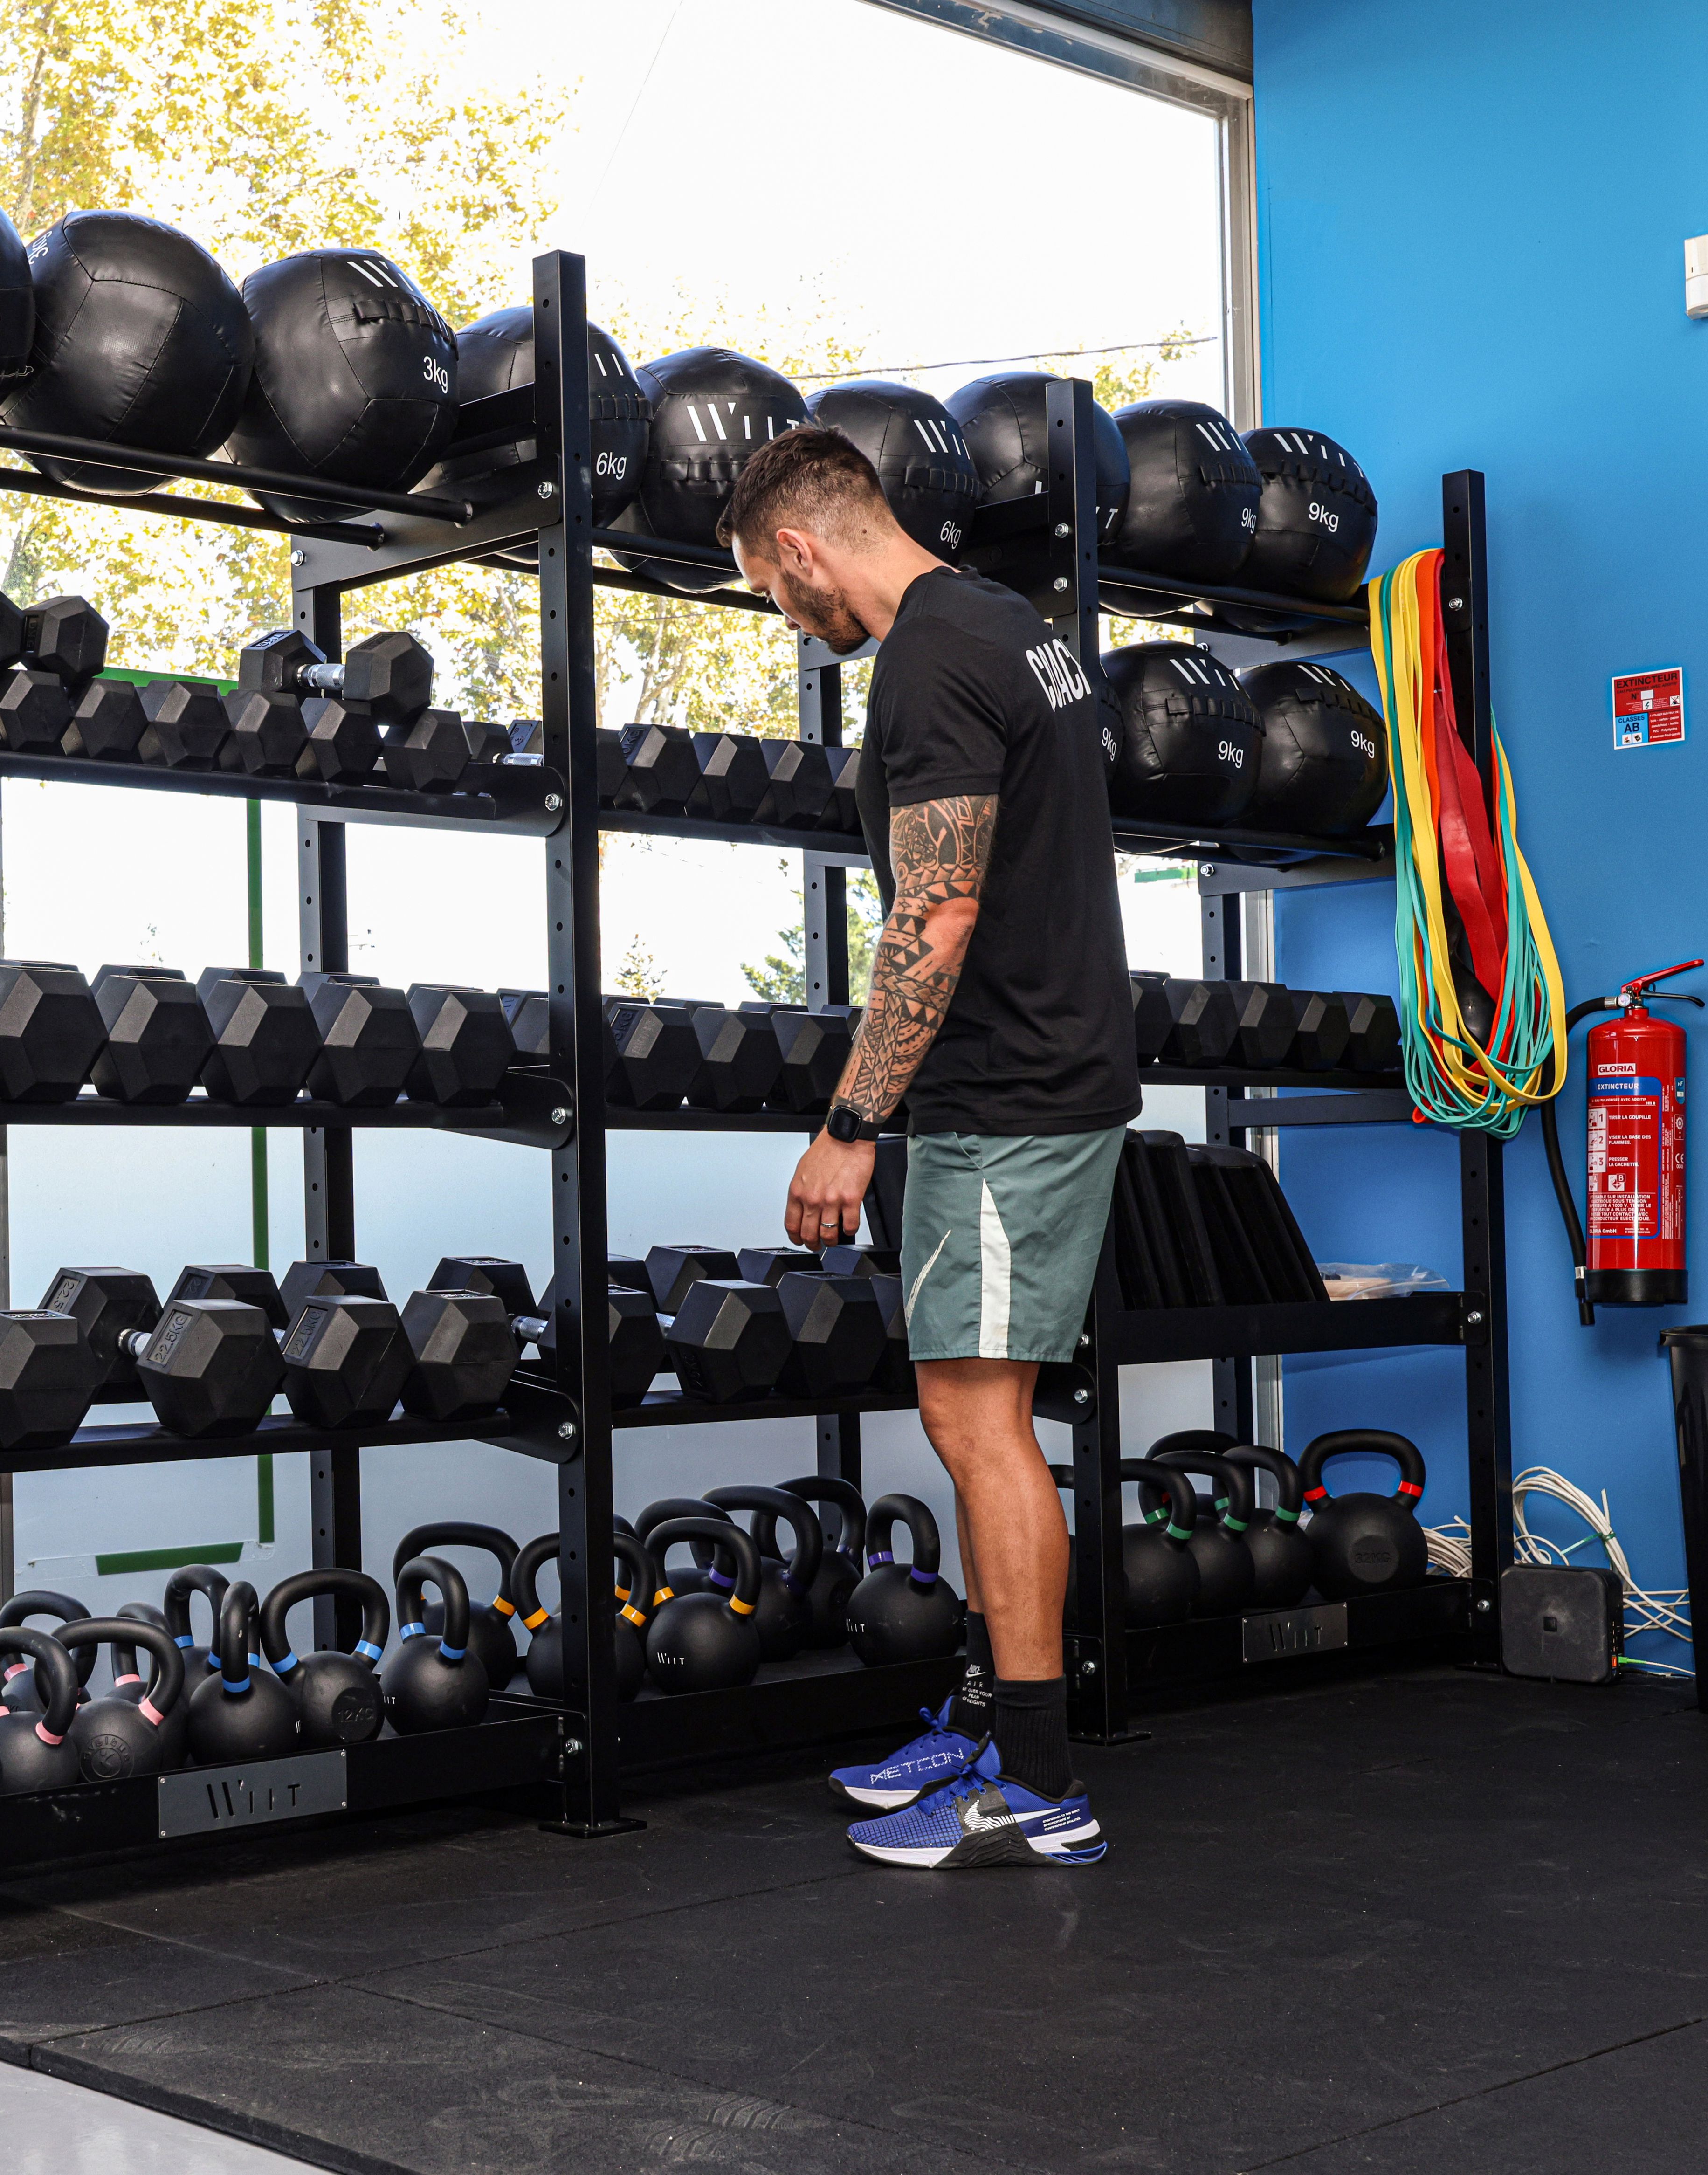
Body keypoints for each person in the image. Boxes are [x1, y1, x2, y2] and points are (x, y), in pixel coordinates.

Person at [715, 425, 1139, 1869]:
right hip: (1022, 1086)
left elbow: (935, 915)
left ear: (799, 550)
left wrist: (850, 1125)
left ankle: (1039, 1780)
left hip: (1002, 1098)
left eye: (776, 595)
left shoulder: (926, 660)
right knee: (978, 1421)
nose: (792, 620)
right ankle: (986, 1708)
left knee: (980, 1426)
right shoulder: (1011, 627)